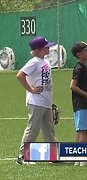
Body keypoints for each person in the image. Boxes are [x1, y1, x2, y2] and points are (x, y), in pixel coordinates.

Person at [16, 36, 55, 165]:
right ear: (37, 50)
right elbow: (20, 75)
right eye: (46, 47)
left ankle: (53, 156)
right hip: (36, 101)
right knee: (33, 128)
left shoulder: (45, 62)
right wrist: (31, 89)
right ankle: (23, 157)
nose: (48, 48)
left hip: (46, 101)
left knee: (49, 129)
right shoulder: (34, 61)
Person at [70, 41, 87, 167]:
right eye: (86, 50)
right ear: (79, 54)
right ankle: (84, 158)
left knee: (80, 130)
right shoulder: (79, 68)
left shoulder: (84, 68)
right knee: (83, 131)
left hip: (83, 104)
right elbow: (72, 86)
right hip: (81, 103)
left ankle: (77, 158)